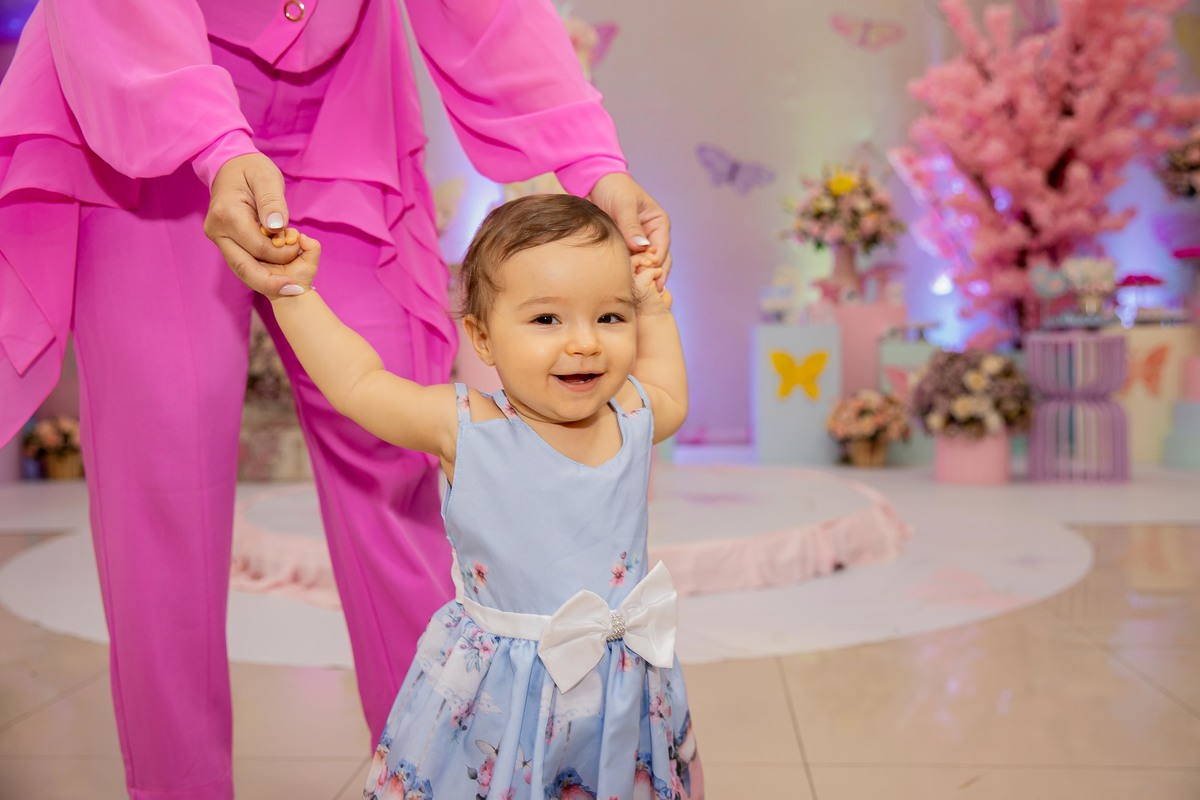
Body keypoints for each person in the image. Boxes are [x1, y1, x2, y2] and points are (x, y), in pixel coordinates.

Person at [0, 2, 672, 798]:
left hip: (341, 113)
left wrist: (594, 163)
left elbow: (488, 14)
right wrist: (214, 146)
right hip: (139, 95)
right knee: (163, 489)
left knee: (400, 464)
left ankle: (445, 777)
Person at [245, 193, 700, 799]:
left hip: (622, 685)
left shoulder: (633, 412)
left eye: (611, 317)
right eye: (547, 320)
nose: (585, 342)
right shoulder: (469, 427)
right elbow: (359, 384)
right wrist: (293, 294)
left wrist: (656, 308)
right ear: (483, 338)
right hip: (503, 691)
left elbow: (672, 391)